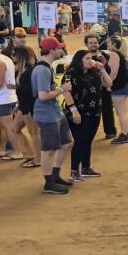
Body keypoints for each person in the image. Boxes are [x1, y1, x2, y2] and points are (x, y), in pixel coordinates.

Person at [32, 37, 74, 195]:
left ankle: (54, 176)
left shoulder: (46, 67)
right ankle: (49, 183)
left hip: (54, 112)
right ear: (51, 50)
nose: (61, 50)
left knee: (67, 142)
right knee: (48, 150)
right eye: (58, 48)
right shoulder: (42, 70)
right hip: (46, 114)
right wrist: (62, 89)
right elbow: (43, 96)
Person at [63, 48, 112, 182]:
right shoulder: (71, 74)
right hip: (78, 113)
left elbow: (109, 83)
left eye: (91, 58)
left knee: (88, 141)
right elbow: (66, 92)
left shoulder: (95, 72)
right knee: (80, 141)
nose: (91, 61)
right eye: (87, 58)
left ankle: (86, 167)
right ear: (79, 61)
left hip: (95, 111)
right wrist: (74, 110)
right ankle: (74, 171)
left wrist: (102, 69)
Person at [9, 45, 41, 169]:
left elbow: (28, 92)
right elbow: (23, 90)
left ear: (21, 56)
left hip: (29, 106)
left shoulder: (29, 71)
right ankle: (29, 154)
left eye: (14, 55)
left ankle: (38, 159)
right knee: (14, 128)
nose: (12, 57)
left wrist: (22, 106)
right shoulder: (22, 70)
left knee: (34, 132)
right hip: (23, 106)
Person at [106, 36, 128, 145]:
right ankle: (126, 132)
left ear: (114, 44)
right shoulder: (121, 54)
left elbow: (113, 73)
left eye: (108, 42)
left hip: (119, 87)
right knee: (122, 111)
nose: (107, 44)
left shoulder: (114, 54)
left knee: (121, 112)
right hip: (125, 86)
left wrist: (108, 83)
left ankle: (125, 134)